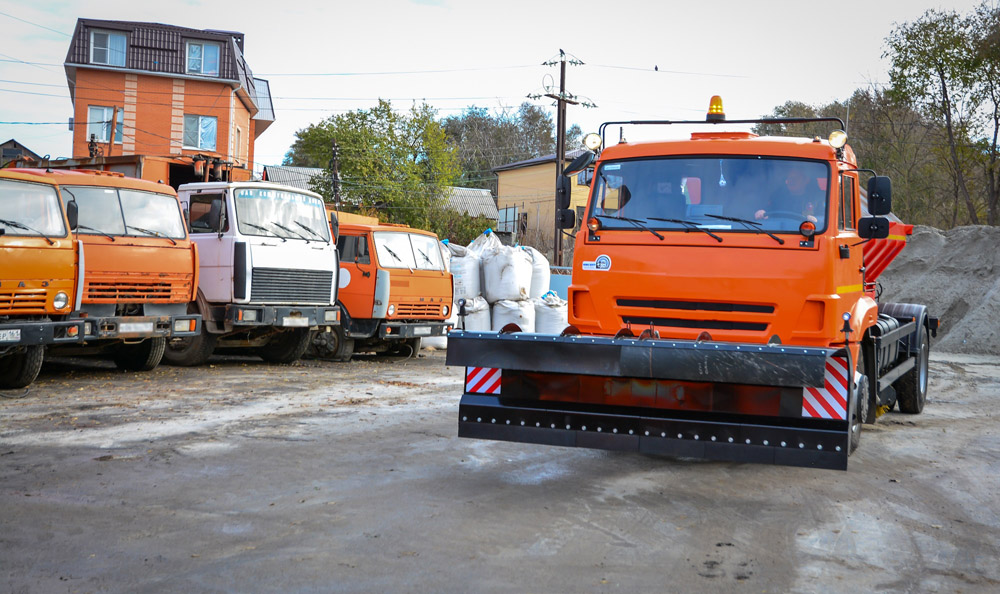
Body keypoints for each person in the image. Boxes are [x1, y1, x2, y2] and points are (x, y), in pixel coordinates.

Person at [754, 168, 818, 224]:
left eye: (795, 178)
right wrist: (761, 212)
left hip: (804, 233)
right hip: (779, 232)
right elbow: (768, 210)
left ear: (806, 180)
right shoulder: (778, 198)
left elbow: (823, 218)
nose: (791, 181)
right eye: (789, 178)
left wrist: (815, 219)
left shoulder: (816, 199)